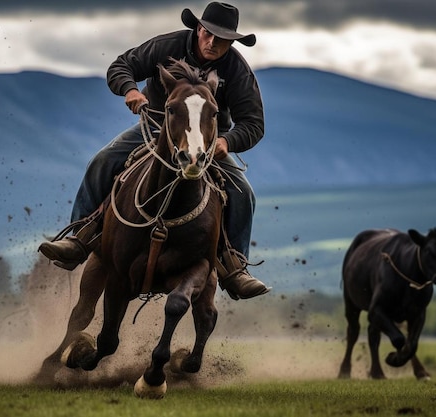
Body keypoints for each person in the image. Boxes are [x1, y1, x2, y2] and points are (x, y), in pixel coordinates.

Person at [39, 2, 270, 300]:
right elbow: (121, 65)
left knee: (243, 192)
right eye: (208, 34)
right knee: (103, 160)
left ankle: (234, 265)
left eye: (222, 39)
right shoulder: (167, 46)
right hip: (158, 128)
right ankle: (80, 237)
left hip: (209, 139)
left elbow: (253, 123)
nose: (212, 43)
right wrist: (130, 90)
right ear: (198, 29)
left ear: (232, 42)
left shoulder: (236, 70)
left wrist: (228, 142)